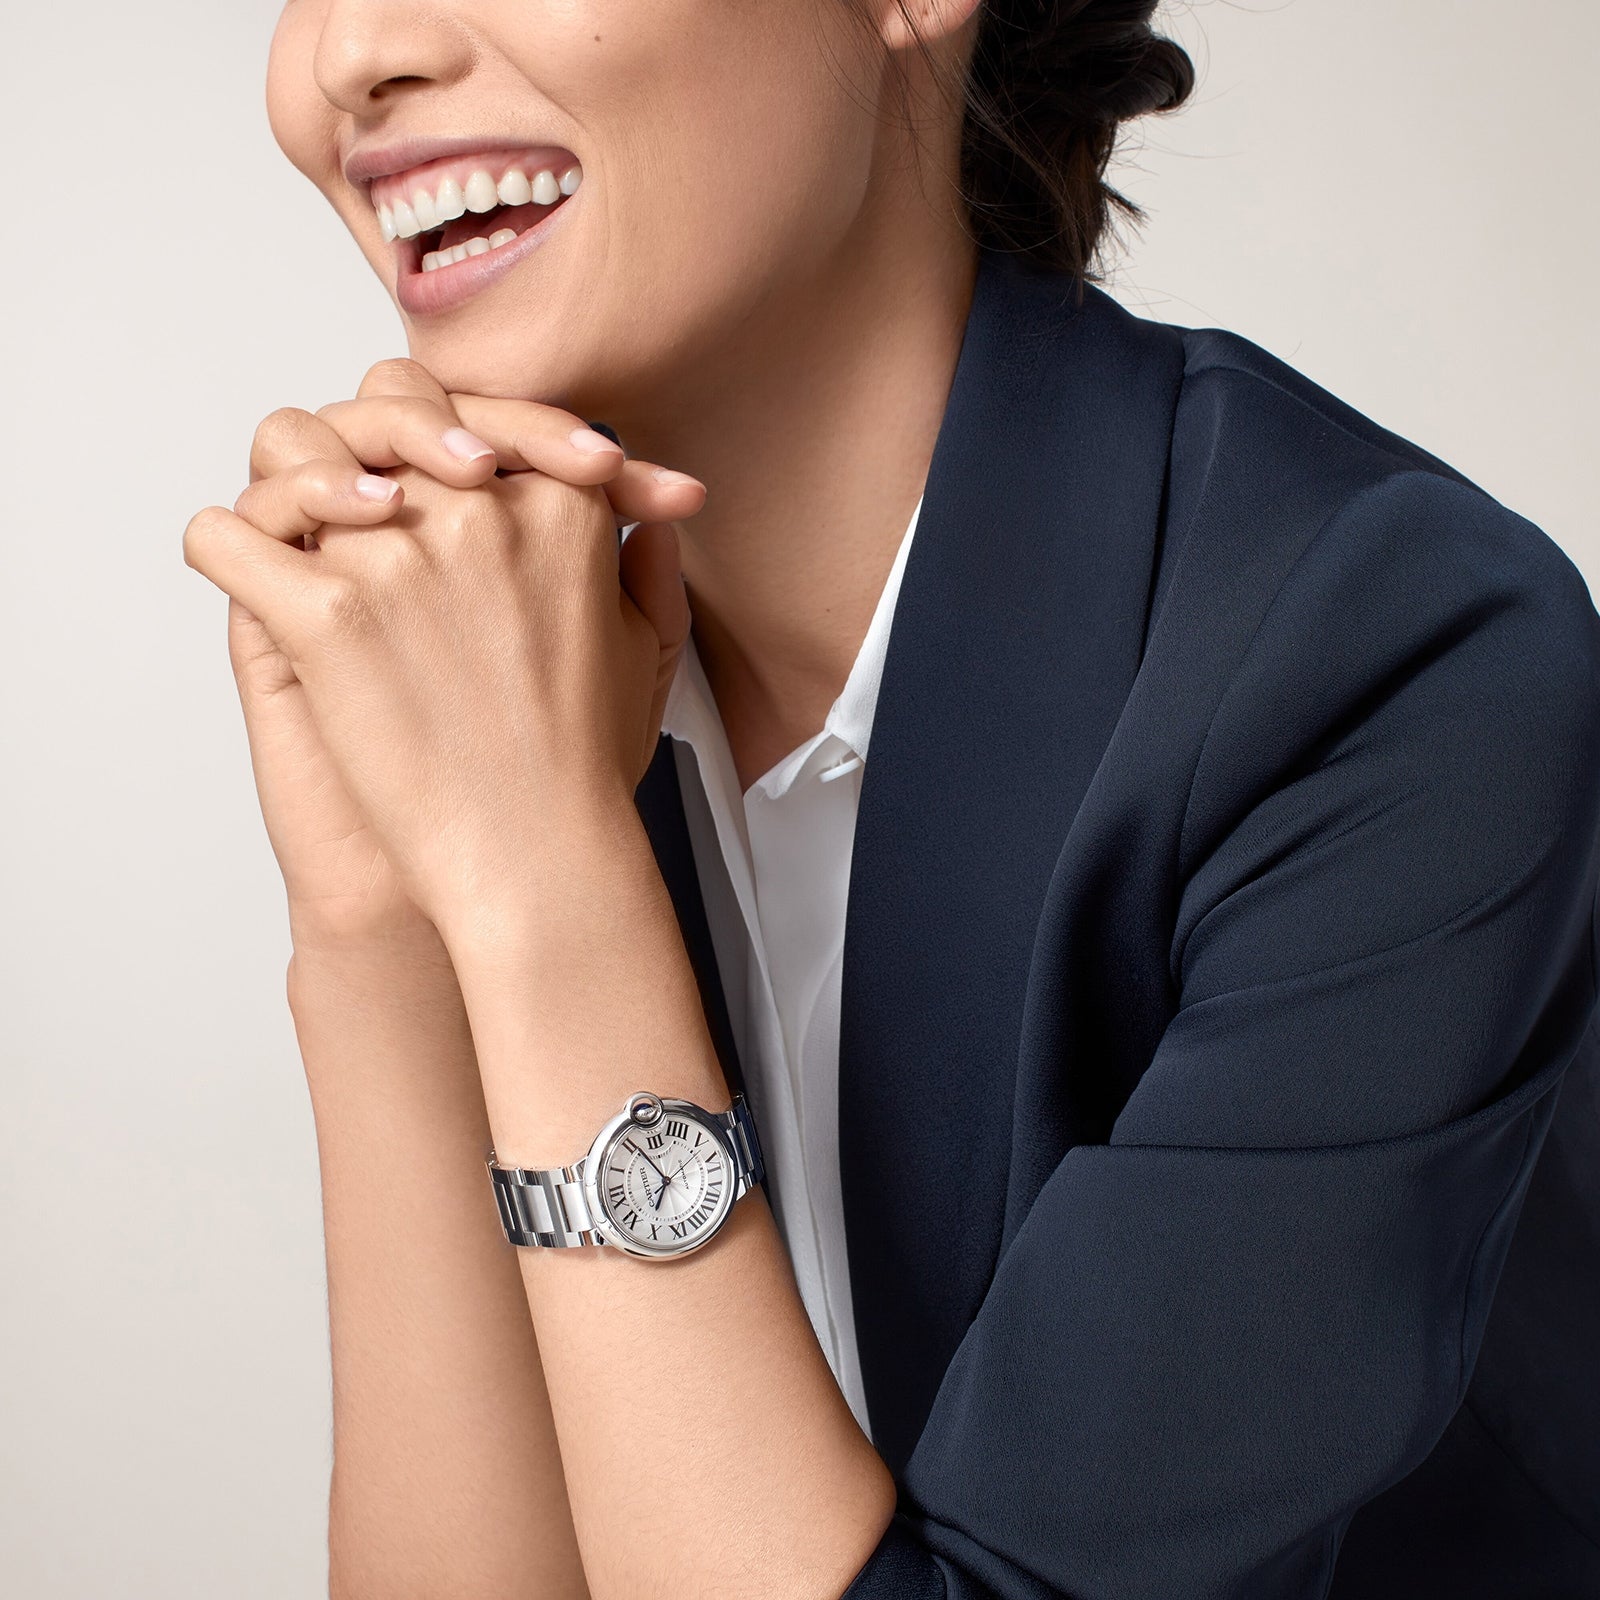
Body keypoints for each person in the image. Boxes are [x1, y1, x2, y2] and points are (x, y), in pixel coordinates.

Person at [182, 0, 1600, 1595]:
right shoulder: (492, 665)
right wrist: (375, 931)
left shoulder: (1388, 654)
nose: (351, 53)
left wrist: (536, 883)